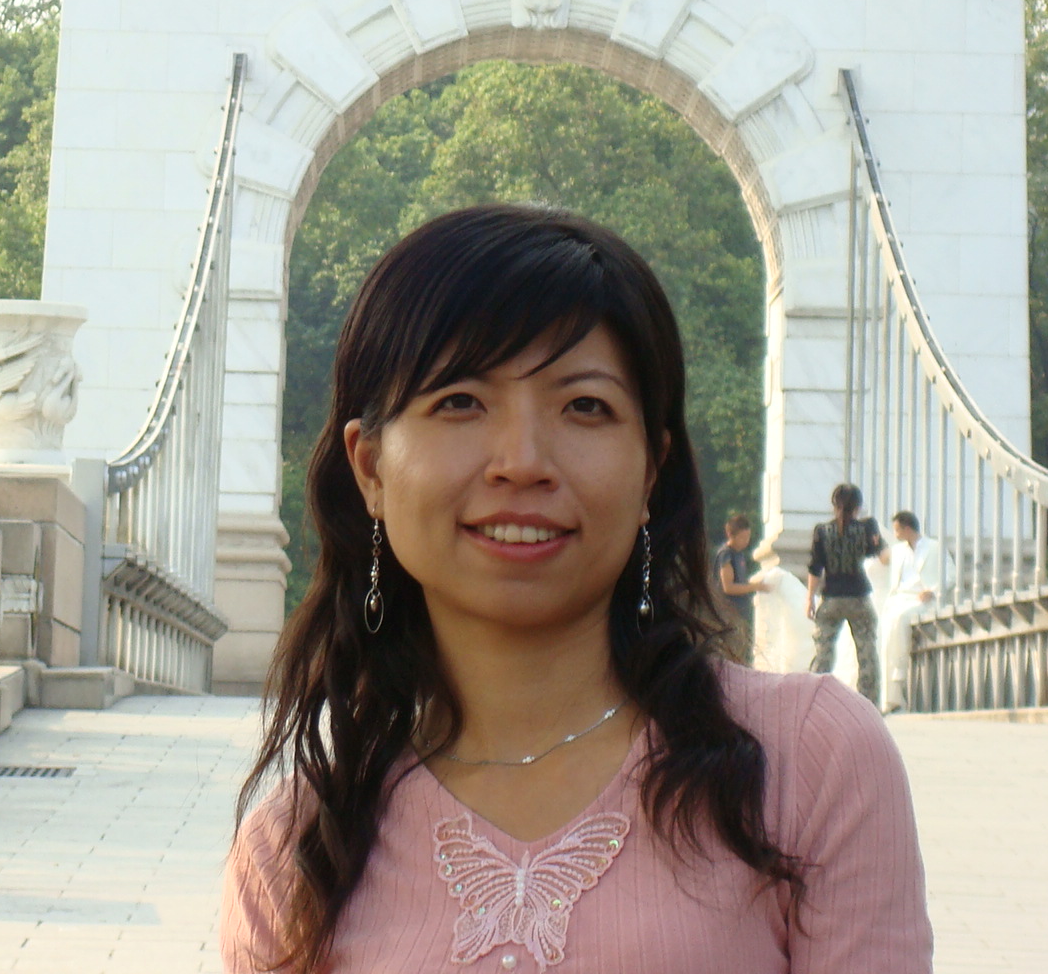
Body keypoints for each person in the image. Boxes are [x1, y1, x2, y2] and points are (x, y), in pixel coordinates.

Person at [220, 205, 931, 973]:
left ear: (651, 469)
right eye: (460, 401)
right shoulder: (294, 853)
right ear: (370, 469)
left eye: (584, 406)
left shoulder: (809, 763)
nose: (522, 461)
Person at [806, 483, 890, 706]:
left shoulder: (822, 531)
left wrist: (810, 599)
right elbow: (884, 558)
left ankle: (814, 700)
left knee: (823, 652)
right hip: (859, 597)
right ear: (858, 507)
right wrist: (879, 542)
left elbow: (815, 568)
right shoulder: (867, 527)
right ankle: (869, 703)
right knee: (866, 652)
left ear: (834, 505)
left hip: (831, 598)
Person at [880, 511, 945, 713]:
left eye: (897, 530)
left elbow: (949, 574)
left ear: (907, 529)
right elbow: (881, 560)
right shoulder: (898, 551)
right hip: (899, 599)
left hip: (921, 599)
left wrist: (933, 591)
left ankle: (900, 670)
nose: (895, 534)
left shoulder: (934, 548)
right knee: (886, 632)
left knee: (900, 619)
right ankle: (889, 696)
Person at [713, 512, 770, 662]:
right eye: (742, 538)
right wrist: (755, 587)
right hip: (729, 612)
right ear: (731, 535)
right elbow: (728, 587)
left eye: (748, 537)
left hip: (741, 611)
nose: (746, 541)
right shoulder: (726, 555)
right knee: (732, 651)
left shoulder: (739, 554)